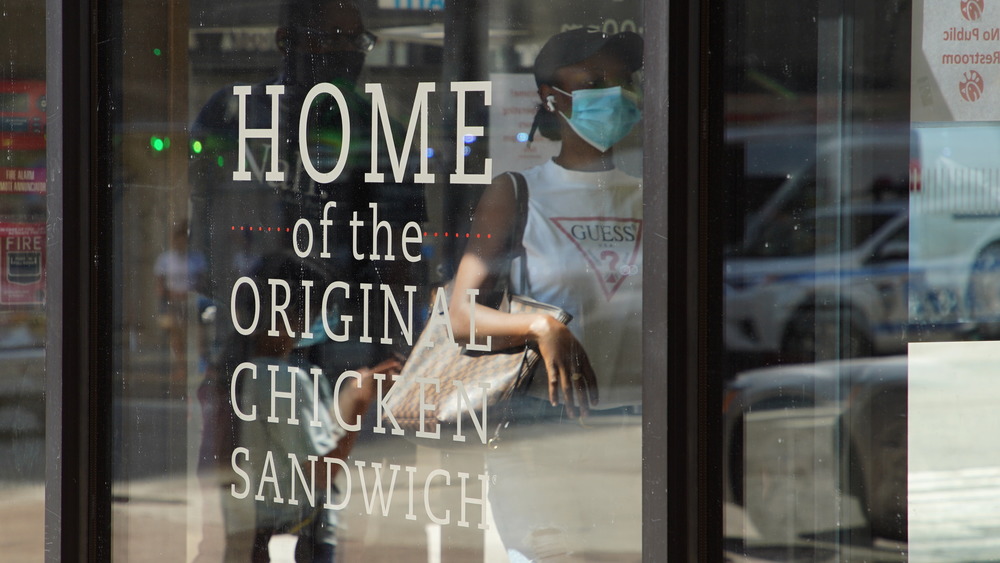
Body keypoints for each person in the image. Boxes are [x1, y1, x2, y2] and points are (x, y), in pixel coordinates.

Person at [448, 28, 644, 561]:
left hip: (635, 429)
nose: (618, 94)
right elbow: (461, 315)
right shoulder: (519, 192)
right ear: (551, 98)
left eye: (625, 82)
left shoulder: (655, 196)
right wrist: (540, 326)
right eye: (596, 81)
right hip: (543, 432)